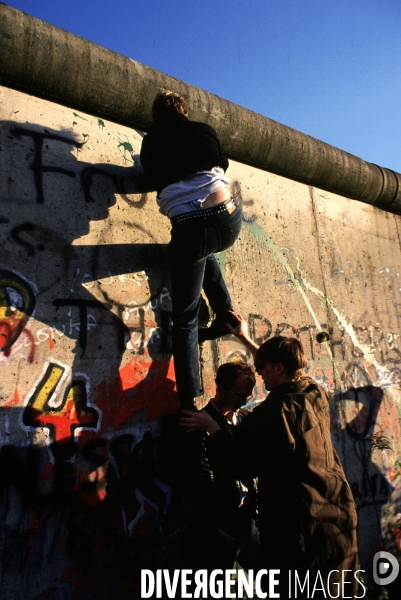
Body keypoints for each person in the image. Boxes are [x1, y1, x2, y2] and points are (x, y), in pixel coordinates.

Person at [181, 313, 361, 598]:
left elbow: (239, 462)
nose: (259, 372)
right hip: (337, 512)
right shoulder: (313, 392)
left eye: (263, 368)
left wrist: (213, 428)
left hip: (302, 527)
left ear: (278, 368)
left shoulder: (272, 414)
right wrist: (243, 338)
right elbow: (285, 370)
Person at [140, 91, 242, 409]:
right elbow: (217, 162)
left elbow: (151, 177)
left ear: (157, 115)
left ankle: (190, 401)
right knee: (199, 250)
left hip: (191, 229)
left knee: (184, 321)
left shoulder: (151, 144)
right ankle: (225, 312)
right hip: (228, 218)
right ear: (183, 110)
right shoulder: (202, 129)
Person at [160, 360, 258, 574]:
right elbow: (204, 487)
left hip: (247, 519)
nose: (242, 402)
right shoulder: (198, 423)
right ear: (220, 388)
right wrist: (237, 536)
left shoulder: (243, 419)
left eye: (247, 396)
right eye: (238, 395)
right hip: (220, 529)